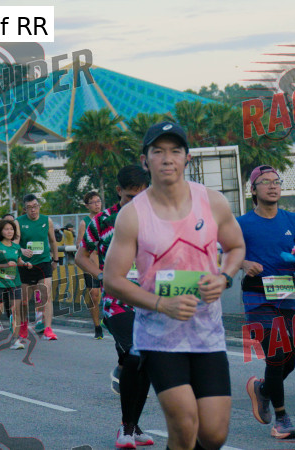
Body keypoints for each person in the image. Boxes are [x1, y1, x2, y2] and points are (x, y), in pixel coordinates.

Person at [104, 122, 246, 450]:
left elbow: (236, 247)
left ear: (187, 158)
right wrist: (160, 304)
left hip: (207, 334)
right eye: (158, 151)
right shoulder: (132, 215)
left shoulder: (212, 202)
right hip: (159, 337)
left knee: (213, 434)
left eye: (175, 151)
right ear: (145, 161)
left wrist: (224, 277)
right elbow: (112, 279)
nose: (167, 158)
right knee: (184, 425)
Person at [76, 165, 154, 448]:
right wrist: (101, 275)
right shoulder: (102, 221)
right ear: (119, 191)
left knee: (145, 362)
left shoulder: (156, 218)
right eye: (130, 197)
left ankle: (133, 425)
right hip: (117, 300)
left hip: (149, 300)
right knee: (134, 356)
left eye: (141, 196)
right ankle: (126, 427)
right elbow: (81, 256)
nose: (136, 202)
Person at [240, 165, 295, 439]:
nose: (273, 186)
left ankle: (262, 389)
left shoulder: (293, 221)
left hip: (286, 293)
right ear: (253, 189)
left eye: (276, 181)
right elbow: (223, 255)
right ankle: (282, 419)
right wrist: (244, 263)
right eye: (265, 182)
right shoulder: (241, 224)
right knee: (276, 353)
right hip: (256, 295)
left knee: (290, 360)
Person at [15, 194, 60, 341]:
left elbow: (52, 241)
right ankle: (23, 325)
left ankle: (48, 328)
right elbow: (15, 243)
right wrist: (22, 251)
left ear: (39, 206)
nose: (33, 210)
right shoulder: (18, 222)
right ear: (25, 209)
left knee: (46, 295)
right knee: (24, 300)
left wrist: (56, 260)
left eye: (35, 206)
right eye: (29, 208)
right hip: (25, 265)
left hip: (43, 262)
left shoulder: (47, 220)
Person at [0, 219, 31, 350]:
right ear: (1, 231)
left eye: (11, 229)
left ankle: (15, 340)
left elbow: (19, 261)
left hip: (14, 282)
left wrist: (25, 264)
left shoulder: (16, 247)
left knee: (15, 310)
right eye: (6, 229)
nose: (9, 231)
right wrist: (5, 265)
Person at [79, 191, 105, 340]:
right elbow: (80, 246)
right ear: (87, 205)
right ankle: (97, 326)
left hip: (107, 263)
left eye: (98, 201)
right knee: (94, 295)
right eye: (93, 202)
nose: (97, 204)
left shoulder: (107, 219)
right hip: (91, 264)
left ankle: (109, 319)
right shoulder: (85, 222)